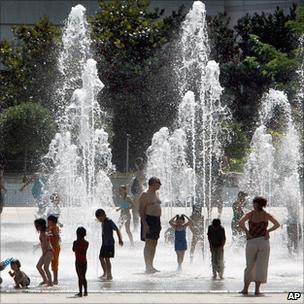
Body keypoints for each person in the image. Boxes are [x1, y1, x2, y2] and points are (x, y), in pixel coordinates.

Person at [239, 196, 280, 295]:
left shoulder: (250, 214)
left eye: (254, 203)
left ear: (257, 204)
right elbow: (277, 224)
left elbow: (240, 223)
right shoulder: (266, 215)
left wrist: (247, 232)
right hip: (264, 241)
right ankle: (257, 290)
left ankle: (245, 289)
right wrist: (268, 231)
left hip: (252, 241)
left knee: (249, 265)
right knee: (261, 266)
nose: (252, 204)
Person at [139, 176, 162, 274]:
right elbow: (141, 210)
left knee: (154, 243)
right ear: (152, 183)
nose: (160, 185)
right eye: (158, 183)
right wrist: (145, 224)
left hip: (157, 220)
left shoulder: (157, 193)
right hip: (149, 219)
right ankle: (147, 266)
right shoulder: (145, 194)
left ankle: (151, 265)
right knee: (148, 243)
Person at [95, 209, 123, 281]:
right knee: (101, 257)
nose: (100, 220)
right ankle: (105, 273)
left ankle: (109, 274)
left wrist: (120, 239)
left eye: (100, 218)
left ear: (104, 215)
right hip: (104, 244)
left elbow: (117, 229)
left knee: (107, 259)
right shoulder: (103, 222)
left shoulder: (109, 221)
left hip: (109, 244)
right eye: (98, 219)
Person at [34, 218, 53, 286]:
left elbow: (45, 244)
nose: (36, 227)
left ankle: (50, 282)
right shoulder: (43, 233)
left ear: (41, 226)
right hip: (46, 252)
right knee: (38, 266)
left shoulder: (44, 234)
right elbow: (43, 243)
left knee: (46, 267)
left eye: (37, 226)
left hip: (48, 252)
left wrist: (44, 254)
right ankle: (45, 280)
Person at [72, 227, 89, 297]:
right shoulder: (86, 243)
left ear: (77, 234)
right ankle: (85, 291)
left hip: (78, 261)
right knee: (84, 276)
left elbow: (73, 249)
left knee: (80, 277)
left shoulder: (75, 242)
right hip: (84, 261)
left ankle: (80, 292)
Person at [130, 157, 146, 230]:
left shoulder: (140, 172)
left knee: (136, 211)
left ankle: (137, 228)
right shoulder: (141, 172)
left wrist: (141, 193)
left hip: (137, 194)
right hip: (137, 193)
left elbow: (141, 183)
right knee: (136, 211)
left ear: (136, 164)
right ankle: (137, 227)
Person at [47, 215, 61, 285]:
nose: (47, 223)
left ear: (52, 222)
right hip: (53, 248)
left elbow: (57, 237)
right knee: (53, 263)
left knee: (54, 263)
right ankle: (53, 279)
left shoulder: (55, 228)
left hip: (55, 248)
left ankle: (55, 280)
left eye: (48, 221)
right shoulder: (52, 228)